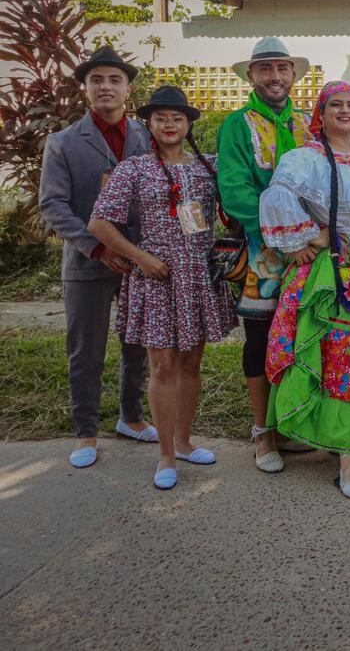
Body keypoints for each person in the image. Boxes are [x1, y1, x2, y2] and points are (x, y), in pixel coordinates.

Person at [258, 81, 350, 501]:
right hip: (337, 270)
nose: (345, 111)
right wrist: (309, 236)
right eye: (335, 105)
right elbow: (277, 196)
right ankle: (347, 461)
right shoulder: (306, 158)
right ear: (320, 114)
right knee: (345, 360)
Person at [88, 87, 236, 489]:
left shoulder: (210, 166)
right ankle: (166, 456)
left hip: (199, 275)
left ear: (188, 124)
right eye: (160, 118)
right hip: (157, 277)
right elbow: (99, 223)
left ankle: (185, 442)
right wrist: (140, 257)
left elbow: (239, 199)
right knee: (163, 365)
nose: (169, 124)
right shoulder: (134, 169)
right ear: (149, 124)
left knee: (191, 363)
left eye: (177, 118)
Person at [38, 46, 153, 469]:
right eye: (97, 80)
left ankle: (131, 417)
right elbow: (53, 205)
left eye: (114, 80)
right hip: (88, 261)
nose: (106, 87)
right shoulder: (63, 142)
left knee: (137, 344)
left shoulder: (147, 136)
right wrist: (98, 246)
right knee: (86, 350)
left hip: (139, 261)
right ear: (85, 88)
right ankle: (86, 431)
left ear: (128, 89)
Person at [216, 36, 314, 473]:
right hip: (265, 253)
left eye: (282, 68)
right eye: (266, 68)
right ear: (252, 75)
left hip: (311, 250)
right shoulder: (238, 124)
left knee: (303, 335)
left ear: (293, 74)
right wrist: (281, 235)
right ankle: (262, 432)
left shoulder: (308, 123)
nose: (275, 76)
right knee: (259, 339)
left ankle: (289, 424)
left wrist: (311, 236)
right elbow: (234, 189)